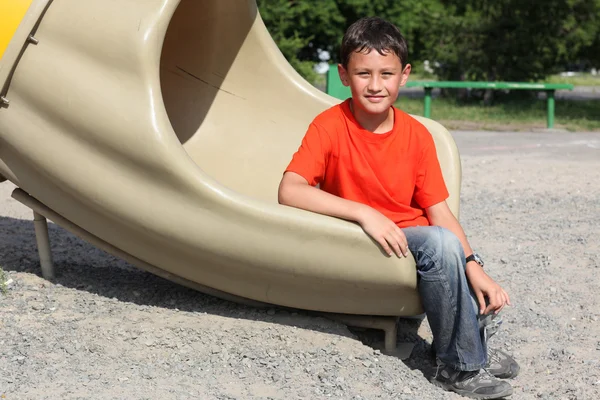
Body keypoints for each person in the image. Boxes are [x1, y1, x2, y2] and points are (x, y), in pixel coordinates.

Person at [278, 16, 520, 400]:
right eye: (363, 73)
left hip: (414, 241)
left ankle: (472, 338)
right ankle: (460, 365)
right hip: (361, 240)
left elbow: (439, 212)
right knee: (440, 244)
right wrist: (364, 213)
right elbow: (289, 190)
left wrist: (475, 267)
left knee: (442, 241)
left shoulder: (417, 135)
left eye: (386, 73)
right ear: (344, 74)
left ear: (404, 75)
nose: (375, 85)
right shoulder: (329, 126)